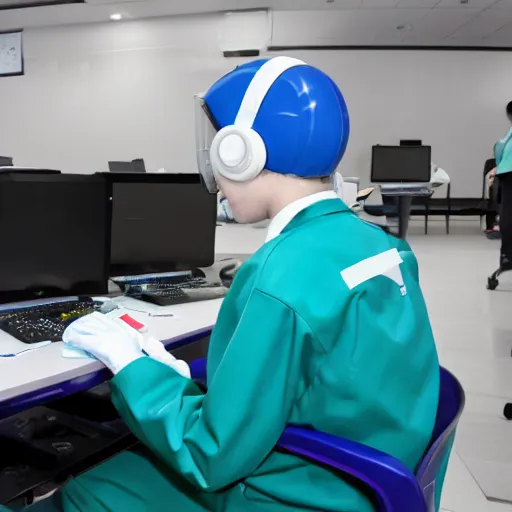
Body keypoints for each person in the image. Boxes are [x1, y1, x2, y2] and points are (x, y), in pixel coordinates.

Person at [30, 57, 441, 512]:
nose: (218, 180)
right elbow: (321, 371)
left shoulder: (278, 273)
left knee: (85, 492)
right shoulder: (378, 243)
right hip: (361, 480)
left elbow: (210, 455)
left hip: (291, 494)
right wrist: (183, 377)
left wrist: (131, 366)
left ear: (241, 152)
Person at [494, 101, 512, 266]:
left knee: (508, 214)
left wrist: (498, 167)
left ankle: (507, 256)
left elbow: (499, 150)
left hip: (508, 175)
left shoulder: (508, 137)